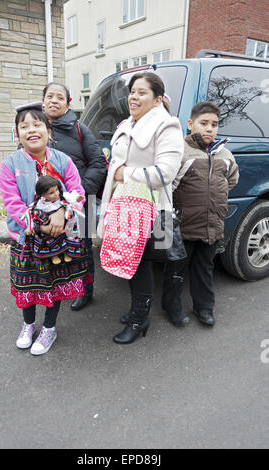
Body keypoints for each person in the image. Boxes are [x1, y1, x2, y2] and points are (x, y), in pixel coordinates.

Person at [97, 72, 184, 344]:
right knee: (129, 262)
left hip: (150, 208)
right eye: (132, 91)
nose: (134, 97)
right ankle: (138, 311)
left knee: (140, 264)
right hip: (123, 205)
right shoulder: (128, 123)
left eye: (142, 92)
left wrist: (127, 174)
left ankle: (139, 319)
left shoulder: (167, 125)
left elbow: (166, 172)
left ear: (157, 98)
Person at [0, 103, 91, 356]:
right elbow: (12, 203)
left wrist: (63, 212)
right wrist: (40, 224)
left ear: (49, 131)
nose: (31, 130)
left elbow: (78, 192)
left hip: (61, 236)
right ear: (17, 133)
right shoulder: (10, 165)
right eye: (24, 126)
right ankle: (28, 325)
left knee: (56, 282)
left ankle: (49, 327)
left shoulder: (64, 161)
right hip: (27, 238)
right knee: (27, 284)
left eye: (37, 124)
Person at [161, 101, 239, 327]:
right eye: (203, 123)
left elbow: (231, 181)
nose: (209, 129)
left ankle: (204, 307)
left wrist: (212, 201)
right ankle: (171, 305)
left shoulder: (225, 154)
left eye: (214, 124)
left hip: (211, 225)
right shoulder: (181, 151)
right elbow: (167, 184)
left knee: (205, 268)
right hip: (182, 225)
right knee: (175, 268)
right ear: (190, 124)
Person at [42, 82, 107, 311]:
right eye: (50, 96)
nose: (54, 101)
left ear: (68, 103)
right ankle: (57, 288)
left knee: (82, 249)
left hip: (79, 203)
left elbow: (98, 163)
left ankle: (85, 291)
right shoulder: (36, 129)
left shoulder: (80, 129)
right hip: (46, 205)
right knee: (50, 247)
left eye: (60, 97)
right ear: (43, 101)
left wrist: (79, 196)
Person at [23, 175, 84, 265]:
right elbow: (31, 213)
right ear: (43, 194)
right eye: (51, 193)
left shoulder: (62, 197)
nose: (56, 193)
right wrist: (30, 227)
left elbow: (71, 197)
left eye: (56, 190)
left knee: (69, 234)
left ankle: (67, 252)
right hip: (48, 225)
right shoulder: (40, 204)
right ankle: (54, 255)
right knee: (48, 239)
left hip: (64, 223)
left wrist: (77, 198)